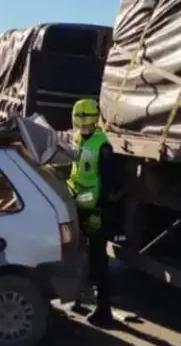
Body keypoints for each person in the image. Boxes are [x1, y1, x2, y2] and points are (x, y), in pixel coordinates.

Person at [67, 98, 116, 326]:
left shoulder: (103, 147)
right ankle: (80, 298)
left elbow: (106, 187)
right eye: (80, 124)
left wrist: (83, 201)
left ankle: (104, 309)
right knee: (80, 255)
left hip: (96, 211)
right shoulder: (78, 141)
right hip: (80, 208)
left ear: (95, 121)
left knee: (98, 259)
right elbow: (75, 174)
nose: (83, 128)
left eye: (86, 124)